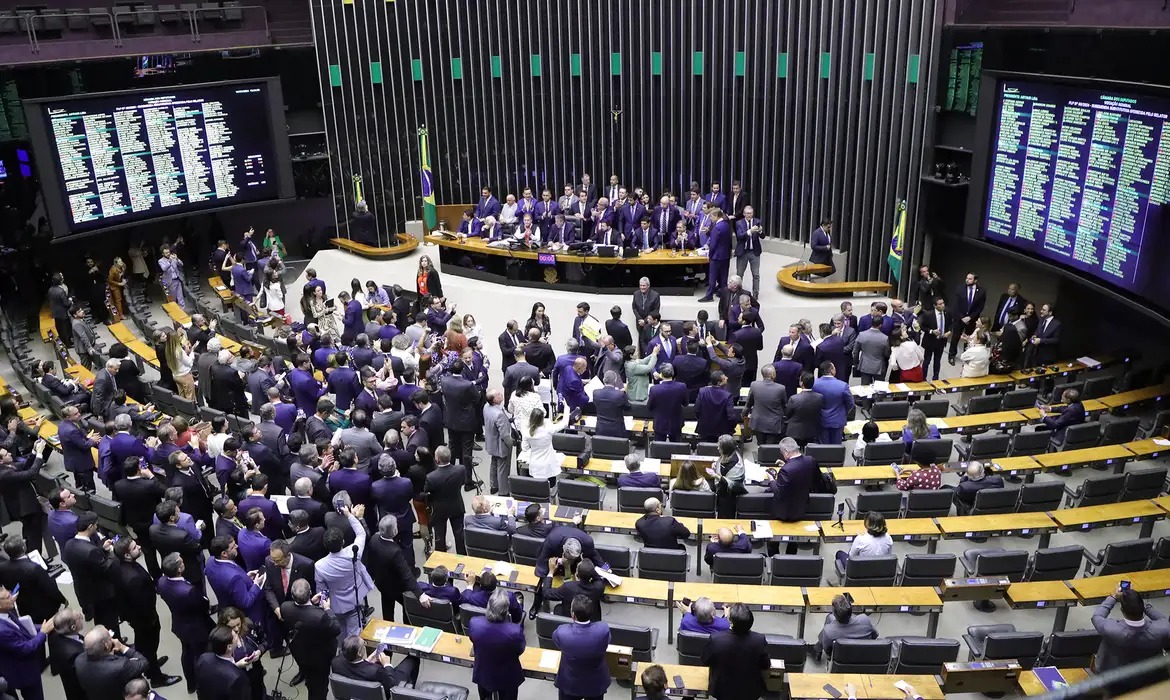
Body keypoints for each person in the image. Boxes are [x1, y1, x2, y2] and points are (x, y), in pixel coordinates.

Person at [109, 539, 181, 688]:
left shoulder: (118, 564)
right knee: (149, 645)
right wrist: (151, 619)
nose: (139, 547)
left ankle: (147, 665)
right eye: (135, 547)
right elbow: (142, 604)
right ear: (127, 555)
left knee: (143, 645)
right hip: (145, 619)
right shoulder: (133, 579)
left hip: (133, 616)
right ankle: (156, 678)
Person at [157, 554, 213, 695]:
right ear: (180, 569)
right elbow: (203, 605)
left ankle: (191, 684)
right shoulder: (189, 591)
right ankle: (202, 687)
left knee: (187, 652)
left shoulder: (162, 582)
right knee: (200, 656)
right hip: (196, 627)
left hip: (179, 623)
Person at [315, 508, 374, 638]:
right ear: (342, 542)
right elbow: (361, 534)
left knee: (340, 634)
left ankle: (344, 654)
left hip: (336, 606)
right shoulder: (353, 553)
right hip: (355, 600)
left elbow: (322, 590)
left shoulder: (319, 566)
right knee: (355, 635)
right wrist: (349, 515)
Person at [280, 579, 339, 700]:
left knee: (310, 681)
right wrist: (327, 609)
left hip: (300, 653)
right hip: (319, 658)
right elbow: (336, 629)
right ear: (310, 592)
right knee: (320, 688)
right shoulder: (320, 616)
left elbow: (302, 615)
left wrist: (311, 603)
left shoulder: (284, 608)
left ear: (292, 595)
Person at [1091, 587, 1170, 672]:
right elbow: (1163, 620)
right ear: (1142, 609)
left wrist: (1113, 597)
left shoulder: (1110, 628)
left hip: (1112, 678)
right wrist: (1143, 605)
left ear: (1122, 610)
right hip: (1150, 677)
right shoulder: (1163, 629)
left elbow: (1097, 616)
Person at [703, 603, 770, 700]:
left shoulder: (716, 639)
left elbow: (705, 660)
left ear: (731, 622)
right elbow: (765, 665)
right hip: (750, 690)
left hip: (722, 690)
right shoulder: (759, 640)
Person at [468, 589, 527, 700]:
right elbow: (520, 649)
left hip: (483, 672)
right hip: (507, 675)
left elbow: (473, 639)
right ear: (506, 611)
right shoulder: (514, 631)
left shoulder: (474, 623)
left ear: (489, 606)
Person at [553, 595, 611, 700]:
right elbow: (607, 642)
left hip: (570, 682)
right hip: (595, 682)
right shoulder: (603, 629)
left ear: (573, 615)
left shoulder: (562, 632)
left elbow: (557, 642)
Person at [765, 438, 818, 553]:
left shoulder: (785, 470)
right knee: (794, 538)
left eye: (782, 452)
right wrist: (787, 464)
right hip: (801, 506)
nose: (782, 454)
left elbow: (779, 492)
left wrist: (771, 480)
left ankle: (774, 556)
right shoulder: (810, 460)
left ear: (787, 452)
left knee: (773, 537)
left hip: (784, 511)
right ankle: (791, 555)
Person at [73, 626, 151, 700]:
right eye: (109, 637)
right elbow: (143, 662)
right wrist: (121, 647)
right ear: (106, 646)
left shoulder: (78, 660)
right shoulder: (121, 666)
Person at [0, 537, 65, 625]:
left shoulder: (2, 567)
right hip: (45, 607)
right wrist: (63, 600)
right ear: (23, 548)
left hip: (23, 607)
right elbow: (50, 588)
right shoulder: (34, 568)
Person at [332, 634, 421, 696]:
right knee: (413, 659)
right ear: (359, 653)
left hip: (355, 690)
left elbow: (356, 669)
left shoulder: (336, 662)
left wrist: (367, 660)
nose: (365, 645)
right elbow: (391, 683)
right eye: (364, 645)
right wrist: (387, 665)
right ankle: (409, 693)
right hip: (390, 679)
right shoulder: (376, 671)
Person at [424, 446, 468, 554]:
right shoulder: (460, 469)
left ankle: (442, 561)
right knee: (459, 535)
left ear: (437, 459)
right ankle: (462, 558)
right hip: (456, 505)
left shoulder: (431, 477)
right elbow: (463, 482)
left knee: (440, 537)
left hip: (439, 509)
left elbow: (427, 492)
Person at [193, 626, 251, 700]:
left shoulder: (204, 658)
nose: (237, 635)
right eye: (235, 635)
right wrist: (234, 669)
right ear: (229, 647)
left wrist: (234, 666)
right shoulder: (238, 677)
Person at [815, 594, 879, 660]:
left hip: (841, 660)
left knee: (829, 617)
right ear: (851, 611)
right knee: (829, 618)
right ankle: (817, 648)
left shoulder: (828, 631)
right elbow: (875, 635)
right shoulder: (865, 620)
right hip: (864, 658)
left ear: (834, 613)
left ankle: (817, 649)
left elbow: (828, 653)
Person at [524, 407, 573, 491]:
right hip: (548, 466)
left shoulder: (527, 432)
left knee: (538, 491)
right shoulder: (548, 430)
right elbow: (564, 423)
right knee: (550, 489)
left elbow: (524, 448)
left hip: (535, 465)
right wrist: (567, 407)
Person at [744, 365, 787, 445]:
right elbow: (784, 405)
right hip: (773, 423)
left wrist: (744, 414)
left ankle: (760, 457)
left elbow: (749, 403)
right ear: (773, 374)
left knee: (760, 444)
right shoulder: (781, 388)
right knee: (770, 446)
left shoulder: (754, 385)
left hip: (758, 421)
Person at [812, 362, 854, 445]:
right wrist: (844, 413)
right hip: (837, 420)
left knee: (823, 445)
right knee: (836, 446)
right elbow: (850, 403)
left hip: (820, 419)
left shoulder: (814, 384)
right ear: (831, 370)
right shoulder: (843, 385)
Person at [948, 272, 987, 362]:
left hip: (972, 319)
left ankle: (967, 355)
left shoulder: (981, 292)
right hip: (959, 318)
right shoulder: (960, 288)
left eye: (970, 279)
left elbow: (980, 307)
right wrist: (962, 317)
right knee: (955, 337)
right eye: (967, 278)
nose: (967, 280)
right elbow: (956, 305)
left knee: (969, 338)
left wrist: (970, 317)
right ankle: (951, 356)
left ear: (975, 280)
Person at [699, 208, 732, 302]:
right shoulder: (726, 224)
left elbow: (713, 243)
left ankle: (709, 295)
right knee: (723, 277)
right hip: (725, 255)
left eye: (711, 216)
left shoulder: (717, 227)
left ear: (717, 216)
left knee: (712, 277)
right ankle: (724, 295)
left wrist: (710, 255)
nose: (710, 218)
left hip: (716, 256)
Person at [647, 365, 687, 441]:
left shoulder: (654, 389)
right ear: (673, 374)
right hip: (676, 422)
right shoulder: (682, 387)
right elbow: (685, 403)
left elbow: (649, 407)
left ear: (661, 374)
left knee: (659, 448)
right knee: (676, 448)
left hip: (660, 422)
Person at [713, 435, 747, 519]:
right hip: (721, 491)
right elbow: (721, 463)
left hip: (729, 496)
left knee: (725, 517)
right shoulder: (728, 454)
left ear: (726, 449)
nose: (717, 448)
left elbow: (733, 484)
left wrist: (717, 476)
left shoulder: (736, 465)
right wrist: (716, 466)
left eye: (719, 447)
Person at [734, 205, 764, 296]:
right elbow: (740, 236)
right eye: (747, 213)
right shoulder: (739, 223)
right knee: (739, 274)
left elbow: (763, 236)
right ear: (744, 214)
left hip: (754, 252)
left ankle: (756, 292)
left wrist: (760, 231)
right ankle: (738, 292)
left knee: (756, 274)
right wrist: (750, 231)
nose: (749, 215)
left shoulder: (757, 221)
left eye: (750, 213)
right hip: (743, 252)